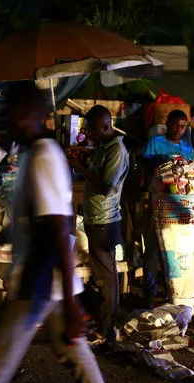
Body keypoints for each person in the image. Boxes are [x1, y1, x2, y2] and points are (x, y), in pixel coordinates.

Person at [0, 81, 114, 383]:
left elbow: (58, 228)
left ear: (33, 115)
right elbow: (25, 222)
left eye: (13, 112)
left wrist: (72, 304)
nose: (6, 120)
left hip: (38, 281)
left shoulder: (44, 156)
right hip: (48, 282)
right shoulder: (31, 154)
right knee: (74, 352)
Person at [68, 105, 129, 343]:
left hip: (105, 220)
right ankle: (103, 320)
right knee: (101, 274)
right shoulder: (104, 146)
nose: (89, 135)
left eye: (92, 130)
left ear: (106, 126)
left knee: (107, 276)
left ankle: (108, 327)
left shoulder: (116, 150)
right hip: (95, 219)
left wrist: (80, 168)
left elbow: (106, 188)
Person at [141, 109, 194, 305]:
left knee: (173, 250)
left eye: (183, 126)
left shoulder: (188, 148)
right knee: (153, 250)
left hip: (179, 206)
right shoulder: (155, 143)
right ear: (168, 124)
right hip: (157, 203)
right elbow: (145, 169)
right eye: (175, 125)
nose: (179, 129)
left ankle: (170, 292)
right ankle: (149, 293)